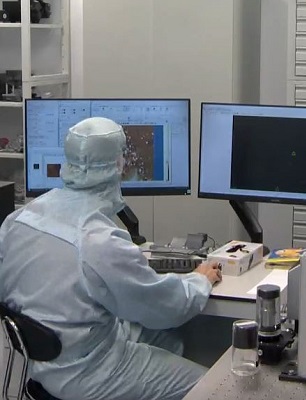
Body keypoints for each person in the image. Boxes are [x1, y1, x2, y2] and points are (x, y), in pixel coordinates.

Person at [0, 117, 222, 400]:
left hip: (38, 363)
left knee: (169, 339)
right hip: (90, 373)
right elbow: (164, 307)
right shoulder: (100, 240)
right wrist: (199, 280)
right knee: (215, 387)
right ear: (118, 164)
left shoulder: (19, 219)